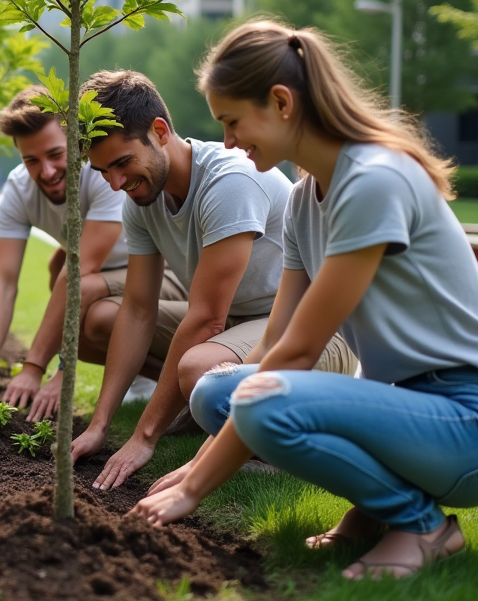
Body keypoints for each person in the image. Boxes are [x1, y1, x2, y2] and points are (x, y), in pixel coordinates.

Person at [130, 20, 478, 582]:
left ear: (281, 102)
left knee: (263, 400)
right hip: (407, 404)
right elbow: (270, 344)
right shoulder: (300, 202)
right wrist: (202, 457)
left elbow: (295, 356)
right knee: (221, 388)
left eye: (233, 121)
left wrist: (194, 487)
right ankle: (374, 510)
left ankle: (422, 525)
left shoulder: (374, 181)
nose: (228, 141)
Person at [70, 70, 357, 489]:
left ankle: (270, 443)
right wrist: (99, 425)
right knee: (99, 319)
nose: (115, 183)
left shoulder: (229, 182)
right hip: (241, 328)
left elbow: (207, 321)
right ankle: (196, 409)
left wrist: (142, 438)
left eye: (122, 163)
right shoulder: (140, 197)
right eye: (102, 172)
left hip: (305, 331)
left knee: (199, 367)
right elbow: (137, 309)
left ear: (160, 131)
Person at [0, 87, 187, 421]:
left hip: (165, 277)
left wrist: (41, 369)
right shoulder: (18, 189)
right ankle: (168, 385)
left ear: (77, 145)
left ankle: (164, 383)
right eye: (31, 160)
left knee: (81, 285)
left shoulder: (102, 174)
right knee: (63, 269)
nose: (47, 171)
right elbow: (4, 279)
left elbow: (82, 270)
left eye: (56, 154)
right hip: (99, 282)